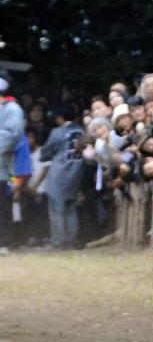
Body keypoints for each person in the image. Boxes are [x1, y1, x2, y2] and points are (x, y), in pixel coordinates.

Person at [39, 105, 85, 250]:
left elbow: (45, 153)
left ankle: (58, 242)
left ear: (60, 118)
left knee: (56, 209)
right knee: (71, 208)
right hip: (77, 173)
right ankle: (71, 241)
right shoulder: (82, 131)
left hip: (59, 174)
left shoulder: (57, 132)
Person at [0, 77, 24, 256]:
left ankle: (4, 242)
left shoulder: (12, 108)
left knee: (2, 206)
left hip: (2, 165)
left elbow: (12, 134)